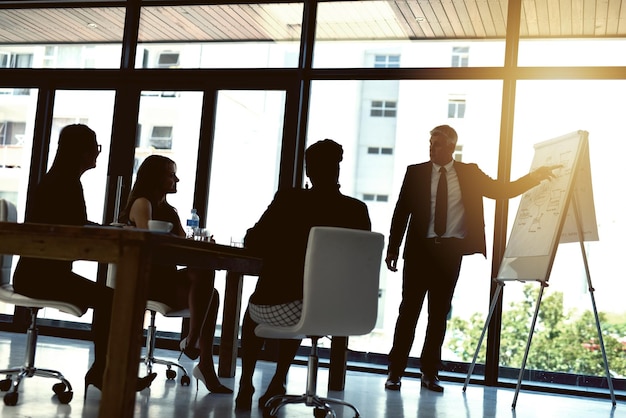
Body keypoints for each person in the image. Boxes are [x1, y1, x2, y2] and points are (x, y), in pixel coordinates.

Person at [384, 125, 560, 393]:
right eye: (431, 143)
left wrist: (534, 177)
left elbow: (502, 190)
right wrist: (393, 248)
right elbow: (401, 212)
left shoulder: (469, 173)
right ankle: (395, 372)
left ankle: (429, 374)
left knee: (438, 316)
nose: (433, 148)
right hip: (419, 253)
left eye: (439, 144)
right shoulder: (415, 172)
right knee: (408, 313)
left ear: (452, 146)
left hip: (449, 254)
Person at [12, 124, 156, 396]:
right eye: (95, 148)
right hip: (41, 278)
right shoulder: (64, 183)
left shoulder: (58, 180)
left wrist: (106, 228)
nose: (97, 154)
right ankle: (103, 372)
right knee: (113, 300)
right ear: (81, 152)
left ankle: (102, 370)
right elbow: (73, 229)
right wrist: (107, 230)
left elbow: (72, 224)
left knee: (110, 299)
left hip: (39, 274)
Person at [235, 139, 372, 410]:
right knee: (307, 305)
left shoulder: (289, 199)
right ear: (338, 168)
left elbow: (254, 239)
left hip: (284, 307)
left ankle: (246, 382)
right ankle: (278, 380)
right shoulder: (357, 210)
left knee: (254, 316)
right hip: (340, 311)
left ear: (309, 171)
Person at [117, 154, 231, 394]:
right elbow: (150, 245)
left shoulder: (169, 211)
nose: (176, 179)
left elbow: (183, 245)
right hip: (146, 280)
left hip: (166, 278)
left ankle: (196, 349)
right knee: (211, 293)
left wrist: (202, 243)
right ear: (156, 177)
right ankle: (196, 350)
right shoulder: (142, 204)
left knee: (211, 286)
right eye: (171, 174)